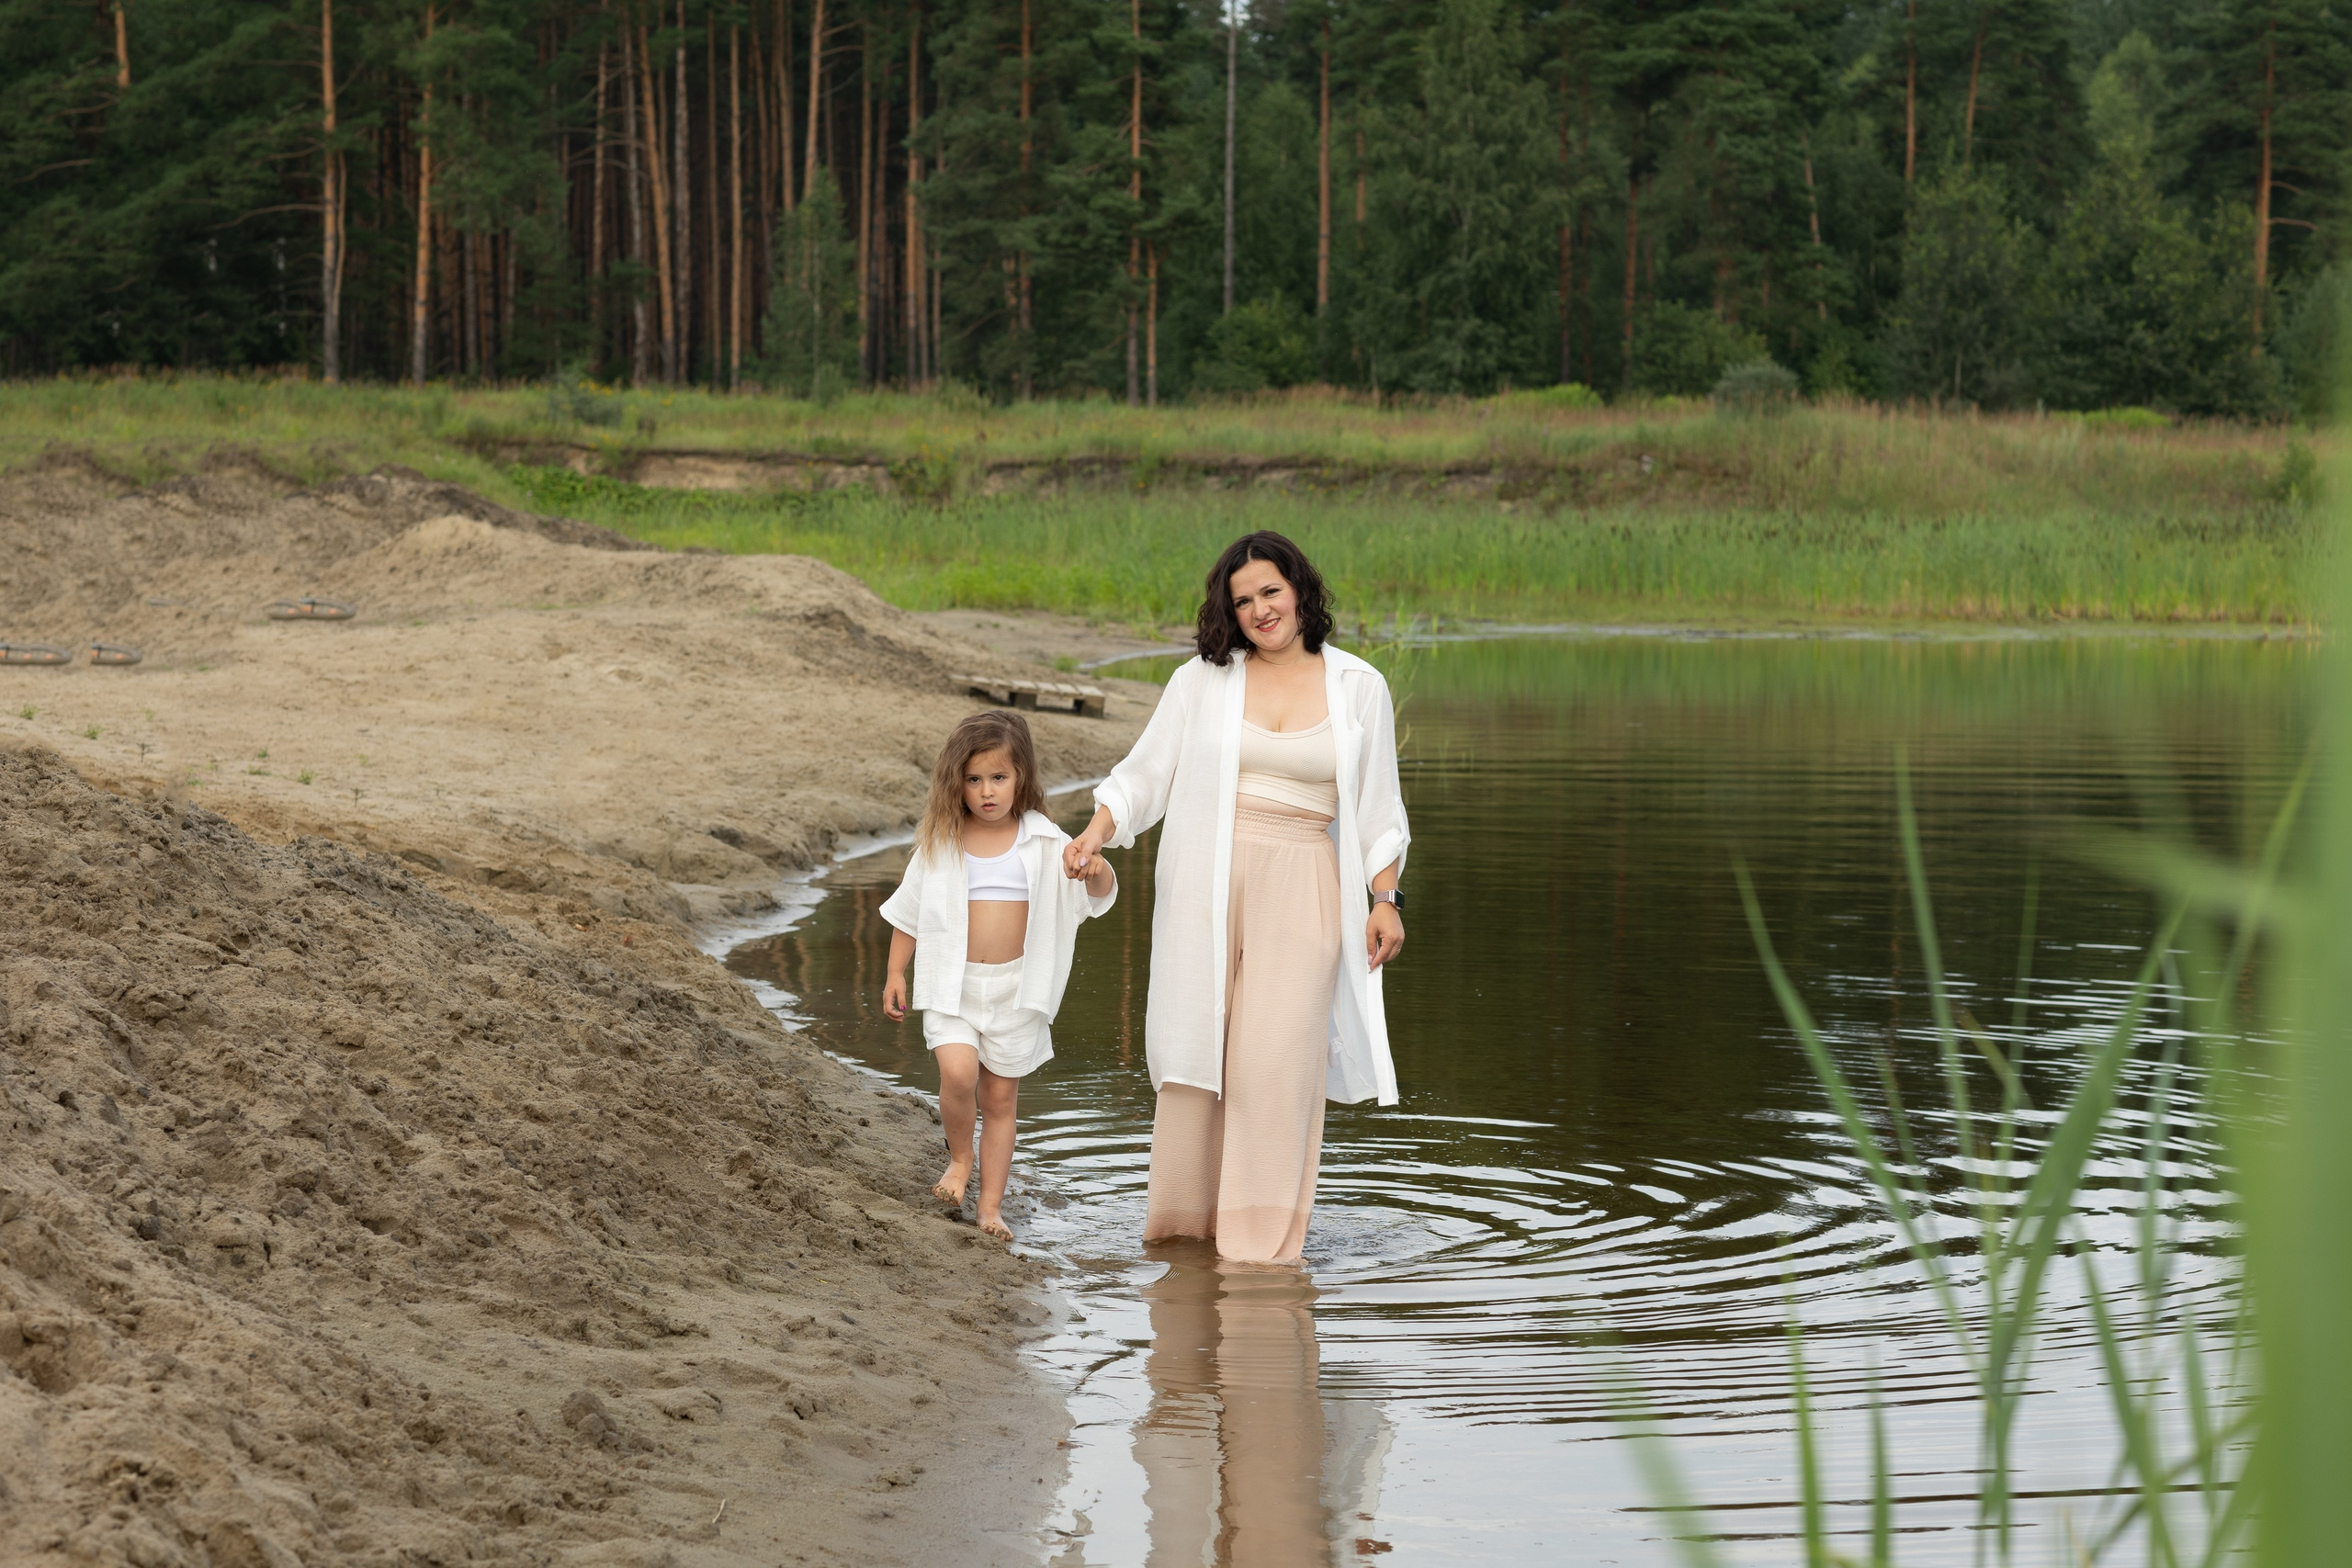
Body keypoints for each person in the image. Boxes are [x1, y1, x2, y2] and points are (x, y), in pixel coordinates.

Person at [1062, 531, 1407, 1264]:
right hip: (1206, 886)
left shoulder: (1358, 687)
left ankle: (1260, 1255)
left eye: (1270, 592)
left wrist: (1386, 900)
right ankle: (1184, 1236)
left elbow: (1380, 813)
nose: (1259, 610)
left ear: (1299, 590)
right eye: (1242, 600)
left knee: (1275, 1066)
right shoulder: (1203, 680)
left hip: (1305, 887)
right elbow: (1145, 773)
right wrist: (1094, 834)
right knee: (1197, 1057)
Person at [881, 710, 1116, 1241]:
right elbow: (909, 913)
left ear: (1021, 779)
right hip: (952, 984)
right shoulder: (942, 842)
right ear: (956, 783)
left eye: (999, 778)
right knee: (960, 1075)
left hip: (1018, 989)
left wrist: (1097, 871)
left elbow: (1092, 897)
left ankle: (990, 1207)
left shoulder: (1044, 840)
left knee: (1001, 1099)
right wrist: (897, 971)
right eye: (974, 779)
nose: (987, 792)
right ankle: (960, 1160)